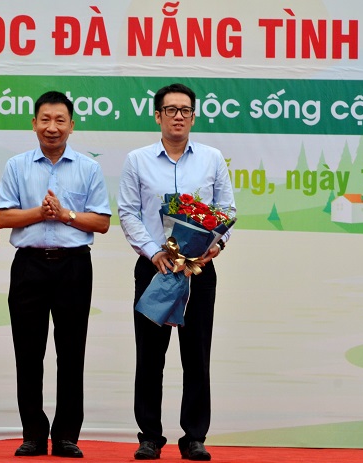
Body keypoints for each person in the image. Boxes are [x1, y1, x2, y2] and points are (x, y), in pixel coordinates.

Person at [117, 83, 236, 461]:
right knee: (150, 357)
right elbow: (128, 212)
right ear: (158, 116)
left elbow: (227, 211)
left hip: (197, 271)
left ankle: (194, 437)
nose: (178, 116)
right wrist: (153, 252)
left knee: (196, 356)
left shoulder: (212, 159)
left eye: (185, 110)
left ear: (194, 117)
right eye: (170, 110)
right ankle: (150, 437)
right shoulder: (138, 160)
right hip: (155, 268)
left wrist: (216, 246)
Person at [0, 91, 111, 458]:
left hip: (74, 266)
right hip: (29, 266)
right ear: (34, 124)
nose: (52, 127)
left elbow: (102, 222)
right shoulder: (17, 166)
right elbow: (2, 217)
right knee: (28, 353)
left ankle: (66, 436)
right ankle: (32, 433)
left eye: (60, 120)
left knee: (71, 353)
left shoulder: (88, 168)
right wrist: (41, 213)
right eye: (45, 119)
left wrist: (65, 215)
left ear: (72, 125)